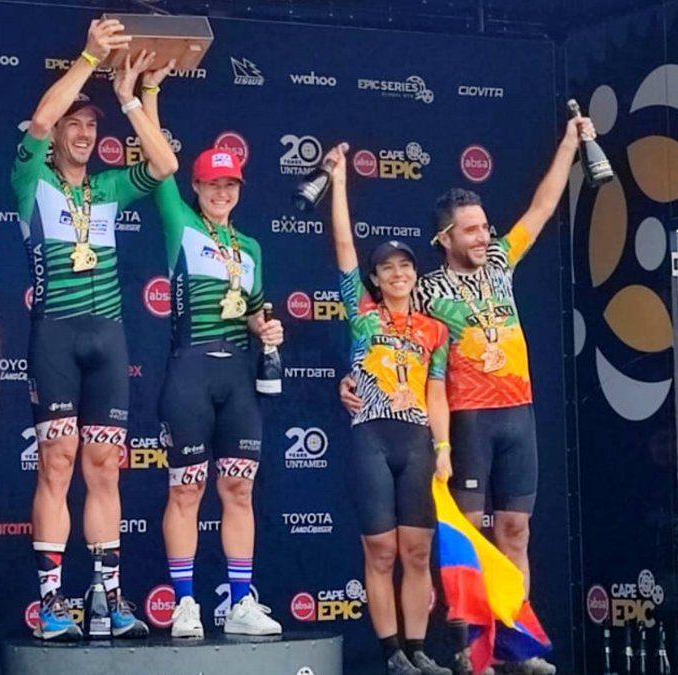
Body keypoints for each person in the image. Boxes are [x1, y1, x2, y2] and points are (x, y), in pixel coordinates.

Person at [340, 114, 596, 675]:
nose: (485, 235)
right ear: (445, 238)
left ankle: (514, 643)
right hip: (468, 421)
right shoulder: (425, 289)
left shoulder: (502, 263)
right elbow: (390, 336)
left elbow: (543, 206)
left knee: (516, 532)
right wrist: (354, 379)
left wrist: (571, 144)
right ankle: (467, 647)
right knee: (463, 540)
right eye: (472, 229)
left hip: (519, 414)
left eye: (485, 226)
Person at [11, 18, 178, 641]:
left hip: (108, 336)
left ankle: (108, 596)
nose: (81, 133)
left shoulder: (108, 186)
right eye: (72, 125)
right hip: (55, 332)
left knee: (104, 466)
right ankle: (52, 601)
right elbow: (37, 119)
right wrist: (89, 57)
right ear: (57, 136)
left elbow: (163, 164)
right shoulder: (30, 177)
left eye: (89, 126)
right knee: (57, 464)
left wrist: (131, 98)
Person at [137, 62, 284, 639]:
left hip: (239, 375)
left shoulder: (250, 247)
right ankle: (185, 603)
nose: (222, 193)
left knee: (239, 488)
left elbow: (256, 310)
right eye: (213, 184)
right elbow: (158, 163)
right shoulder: (180, 223)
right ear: (197, 188)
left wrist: (266, 331)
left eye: (231, 185)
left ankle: (241, 602)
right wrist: (149, 94)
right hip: (190, 369)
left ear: (238, 190)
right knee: (187, 486)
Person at [326, 143, 453, 675]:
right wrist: (338, 182)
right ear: (375, 279)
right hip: (370, 436)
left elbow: (437, 392)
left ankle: (420, 649)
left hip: (417, 440)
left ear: (415, 276)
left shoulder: (436, 330)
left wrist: (443, 450)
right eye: (387, 268)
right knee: (380, 551)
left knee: (417, 553)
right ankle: (391, 652)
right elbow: (342, 243)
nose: (397, 273)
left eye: (405, 265)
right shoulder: (361, 314)